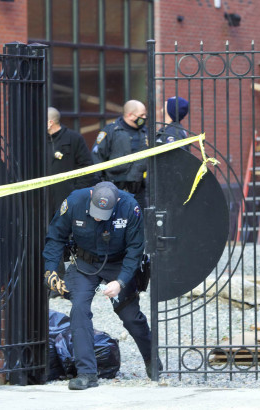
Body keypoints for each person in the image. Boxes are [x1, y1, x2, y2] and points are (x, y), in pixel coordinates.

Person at [42, 181, 158, 390]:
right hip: (85, 263)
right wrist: (51, 270)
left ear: (116, 204)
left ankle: (152, 360)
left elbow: (135, 250)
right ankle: (87, 373)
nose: (97, 217)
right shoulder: (75, 201)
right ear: (91, 196)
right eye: (95, 211)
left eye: (103, 214)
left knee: (131, 316)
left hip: (119, 264)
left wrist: (121, 282)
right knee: (79, 309)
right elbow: (55, 237)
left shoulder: (130, 207)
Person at [91, 100, 148, 209]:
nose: (144, 118)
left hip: (139, 189)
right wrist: (98, 183)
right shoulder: (111, 131)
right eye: (141, 115)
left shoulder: (146, 133)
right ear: (130, 115)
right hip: (114, 188)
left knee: (140, 221)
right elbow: (97, 156)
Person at [46, 107, 95, 218]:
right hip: (43, 201)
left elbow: (87, 167)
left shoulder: (74, 138)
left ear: (50, 122)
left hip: (68, 199)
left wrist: (75, 193)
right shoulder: (39, 140)